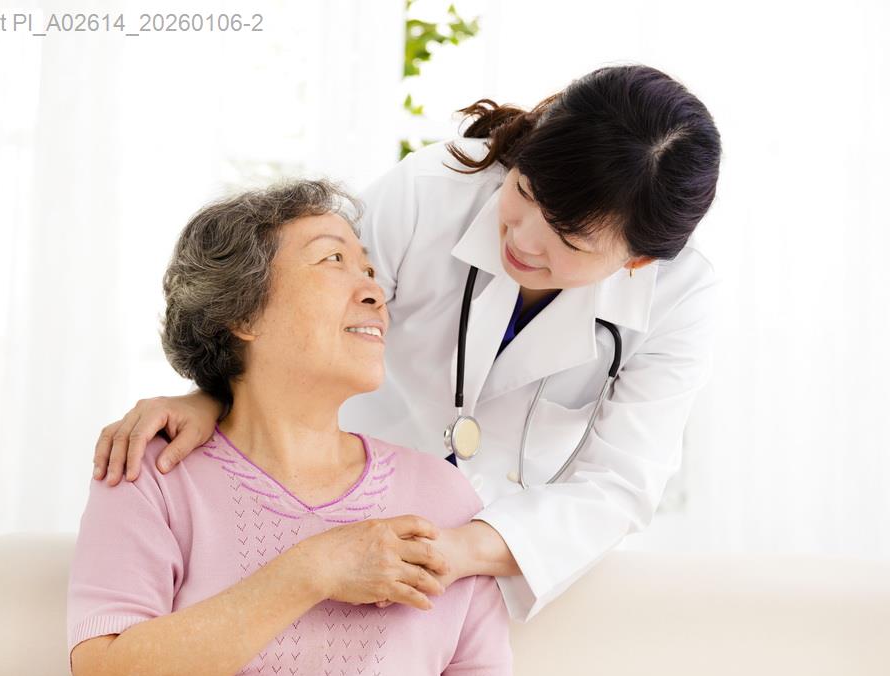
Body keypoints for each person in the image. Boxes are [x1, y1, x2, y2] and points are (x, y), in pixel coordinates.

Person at [93, 64, 723, 623]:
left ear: (638, 261)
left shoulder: (679, 297)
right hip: (330, 503)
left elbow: (618, 484)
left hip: (495, 553)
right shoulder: (432, 189)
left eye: (569, 239)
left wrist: (455, 550)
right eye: (525, 191)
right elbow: (304, 312)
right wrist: (212, 398)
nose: (523, 239)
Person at [67, 182, 517, 676]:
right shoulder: (150, 472)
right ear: (243, 313)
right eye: (333, 260)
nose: (375, 292)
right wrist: (314, 568)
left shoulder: (443, 496)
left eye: (369, 270)